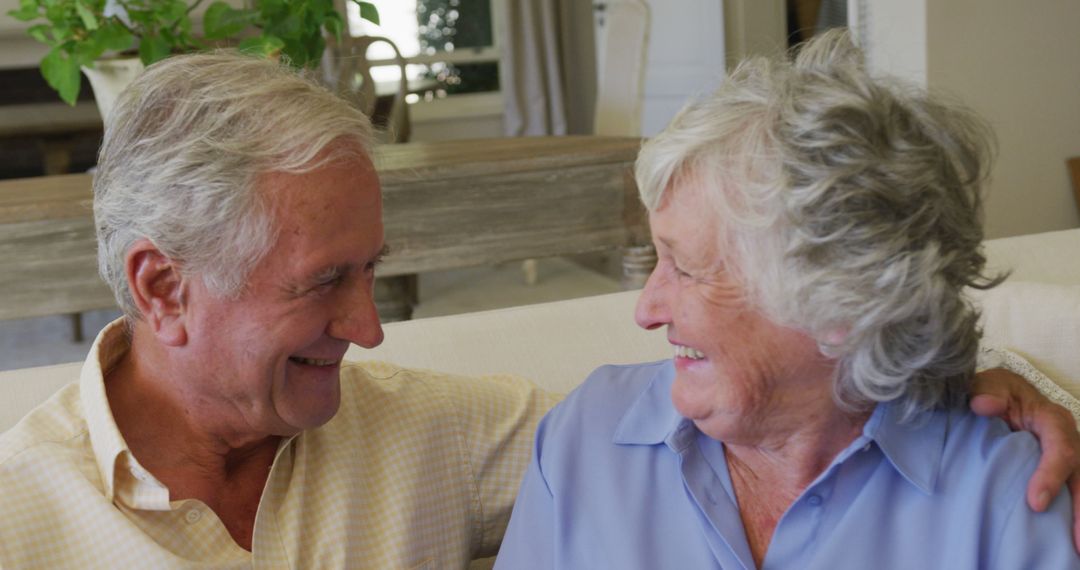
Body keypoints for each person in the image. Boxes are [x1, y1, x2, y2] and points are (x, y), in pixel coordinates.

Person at [0, 50, 1073, 569]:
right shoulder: (20, 522)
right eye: (325, 281)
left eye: (374, 271)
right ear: (161, 287)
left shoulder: (454, 435)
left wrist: (948, 368)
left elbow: (772, 408)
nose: (372, 328)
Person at [496, 30, 1080, 568]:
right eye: (656, 259)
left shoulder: (1001, 496)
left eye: (687, 269)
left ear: (844, 305)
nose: (646, 310)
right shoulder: (583, 437)